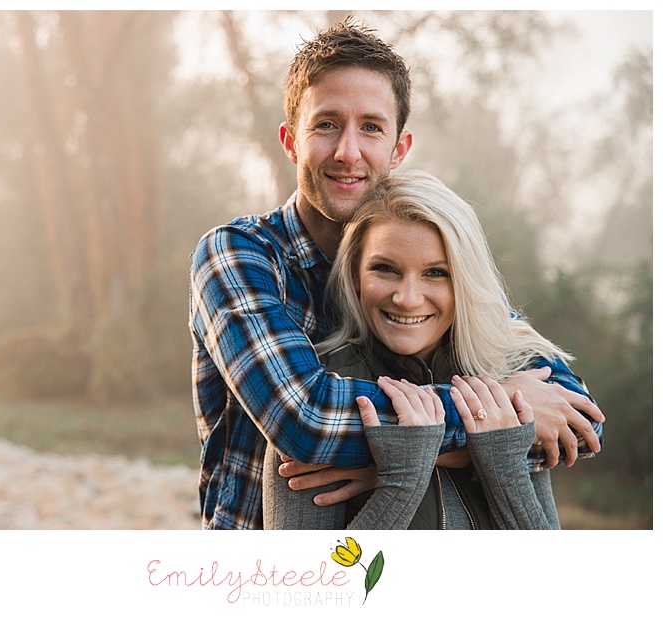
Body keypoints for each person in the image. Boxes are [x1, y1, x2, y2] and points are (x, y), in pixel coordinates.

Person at [189, 19, 604, 530]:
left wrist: (413, 459)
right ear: (290, 140)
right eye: (326, 125)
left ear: (399, 148)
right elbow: (307, 418)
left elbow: (573, 417)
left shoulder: (427, 257)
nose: (348, 151)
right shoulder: (239, 254)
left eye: (370, 127)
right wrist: (488, 424)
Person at [264, 171, 578, 529]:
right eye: (384, 269)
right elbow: (309, 582)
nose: (407, 299)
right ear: (354, 274)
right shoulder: (322, 398)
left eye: (435, 273)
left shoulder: (508, 384)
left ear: (464, 279)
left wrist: (498, 463)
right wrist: (401, 480)